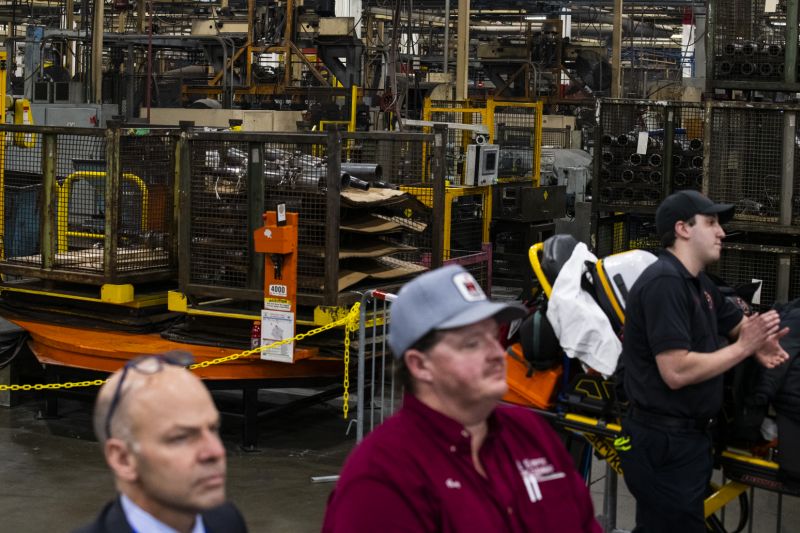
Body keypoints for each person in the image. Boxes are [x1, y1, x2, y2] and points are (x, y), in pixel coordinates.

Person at [322, 264, 602, 532]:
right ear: (420, 365)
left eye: (493, 336)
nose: (496, 352)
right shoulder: (382, 478)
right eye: (472, 343)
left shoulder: (531, 433)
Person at [618, 190, 790, 533]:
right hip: (661, 444)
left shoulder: (699, 284)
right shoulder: (665, 283)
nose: (721, 232)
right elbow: (676, 371)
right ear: (683, 229)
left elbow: (738, 323)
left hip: (688, 441)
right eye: (711, 223)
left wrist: (760, 343)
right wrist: (744, 348)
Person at [73, 351, 248, 533]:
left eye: (213, 429)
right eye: (181, 437)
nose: (216, 452)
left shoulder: (226, 521)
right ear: (123, 459)